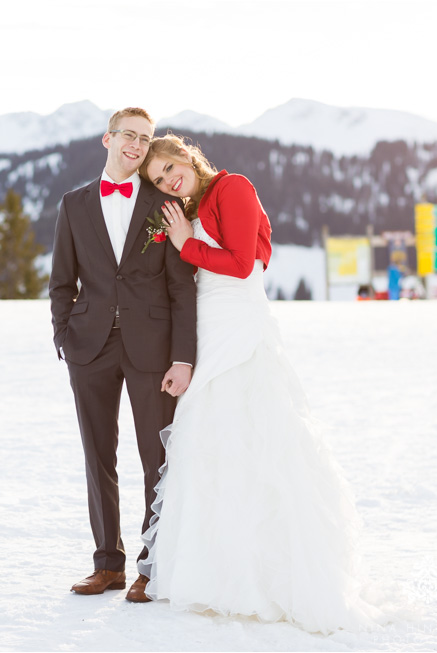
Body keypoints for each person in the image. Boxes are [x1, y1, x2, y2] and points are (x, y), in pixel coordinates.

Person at [138, 134, 383, 632]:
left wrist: (187, 244)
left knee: (252, 427)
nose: (168, 181)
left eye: (168, 169)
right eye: (159, 180)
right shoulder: (192, 204)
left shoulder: (233, 188)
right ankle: (211, 567)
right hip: (209, 324)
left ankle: (266, 572)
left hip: (238, 324)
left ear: (186, 155)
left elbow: (243, 264)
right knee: (211, 438)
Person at [49, 109, 197, 603]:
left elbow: (181, 288)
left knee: (157, 457)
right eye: (128, 135)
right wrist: (64, 337)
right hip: (88, 347)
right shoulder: (73, 204)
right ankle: (107, 565)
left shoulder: (164, 204)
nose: (136, 144)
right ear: (108, 139)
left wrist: (183, 356)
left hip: (152, 348)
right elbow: (61, 281)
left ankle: (151, 567)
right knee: (98, 456)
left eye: (145, 138)